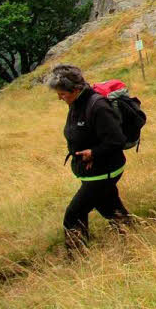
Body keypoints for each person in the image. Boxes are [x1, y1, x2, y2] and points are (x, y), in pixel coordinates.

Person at [44, 64, 132, 252]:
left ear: (75, 89)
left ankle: (77, 258)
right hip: (93, 172)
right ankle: (132, 239)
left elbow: (117, 140)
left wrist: (94, 153)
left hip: (104, 171)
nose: (59, 97)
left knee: (73, 214)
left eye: (62, 93)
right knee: (110, 208)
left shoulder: (97, 105)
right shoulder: (76, 103)